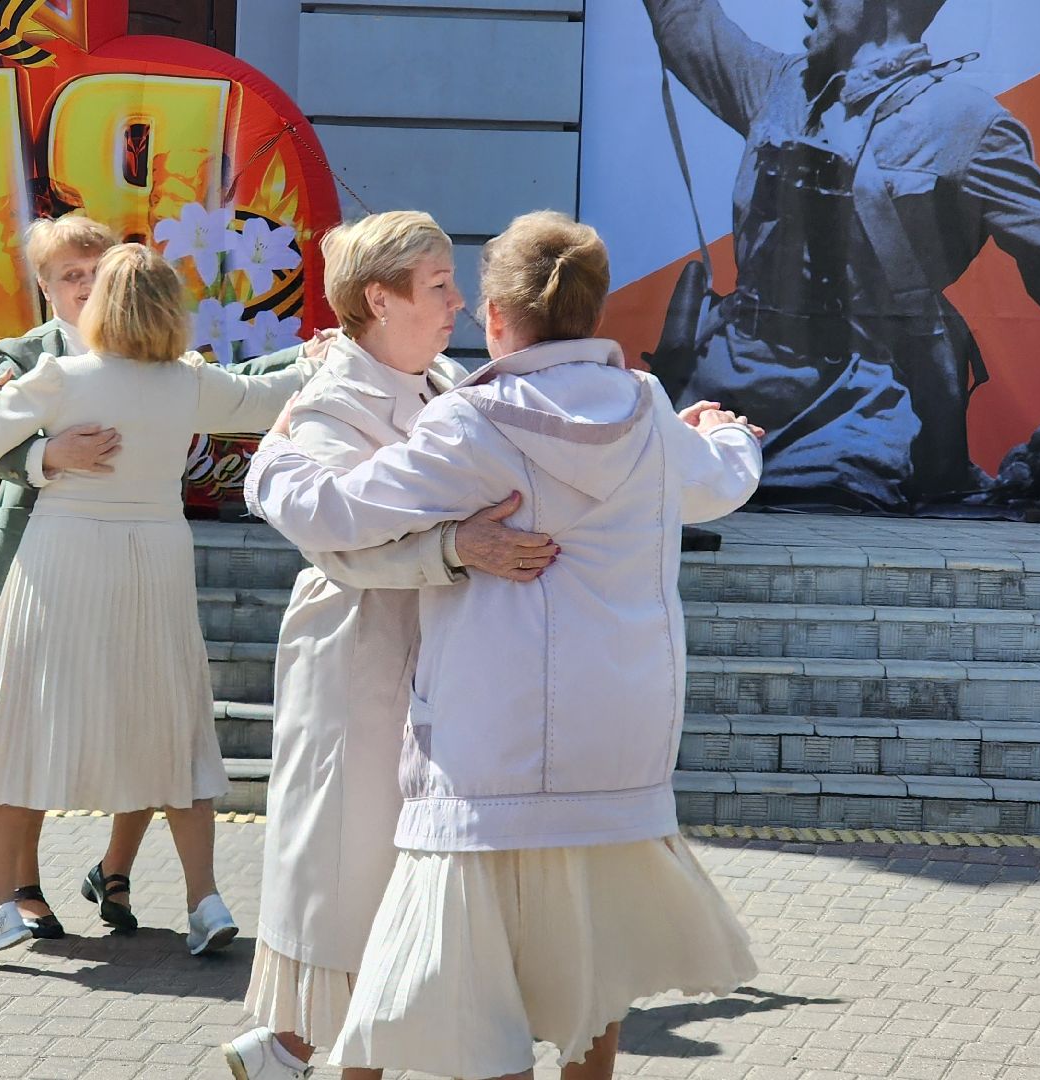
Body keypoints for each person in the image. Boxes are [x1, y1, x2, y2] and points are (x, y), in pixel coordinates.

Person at [246, 211, 762, 1080]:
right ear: (596, 309)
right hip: (623, 742)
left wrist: (273, 460)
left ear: (496, 317)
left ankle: (287, 1054)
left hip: (494, 751)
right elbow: (723, 481)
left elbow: (336, 511)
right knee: (592, 979)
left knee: (481, 995)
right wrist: (731, 433)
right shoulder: (645, 408)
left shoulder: (473, 421)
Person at [0, 242, 321, 965]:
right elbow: (272, 395)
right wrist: (326, 357)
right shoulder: (187, 385)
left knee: (15, 732)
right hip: (157, 560)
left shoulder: (61, 376)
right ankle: (205, 902)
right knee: (174, 723)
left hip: (63, 559)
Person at [219, 212, 560, 1080]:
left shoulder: (444, 380)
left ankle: (288, 1054)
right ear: (379, 298)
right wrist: (453, 546)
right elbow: (335, 537)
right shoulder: (333, 400)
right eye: (439, 285)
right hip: (357, 662)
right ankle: (296, 1051)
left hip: (436, 665)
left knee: (402, 881)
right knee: (354, 876)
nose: (457, 301)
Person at [641, 0, 1040, 510]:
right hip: (719, 393)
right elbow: (683, 18)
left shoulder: (967, 126)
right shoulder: (777, 85)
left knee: (823, 515)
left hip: (849, 413)